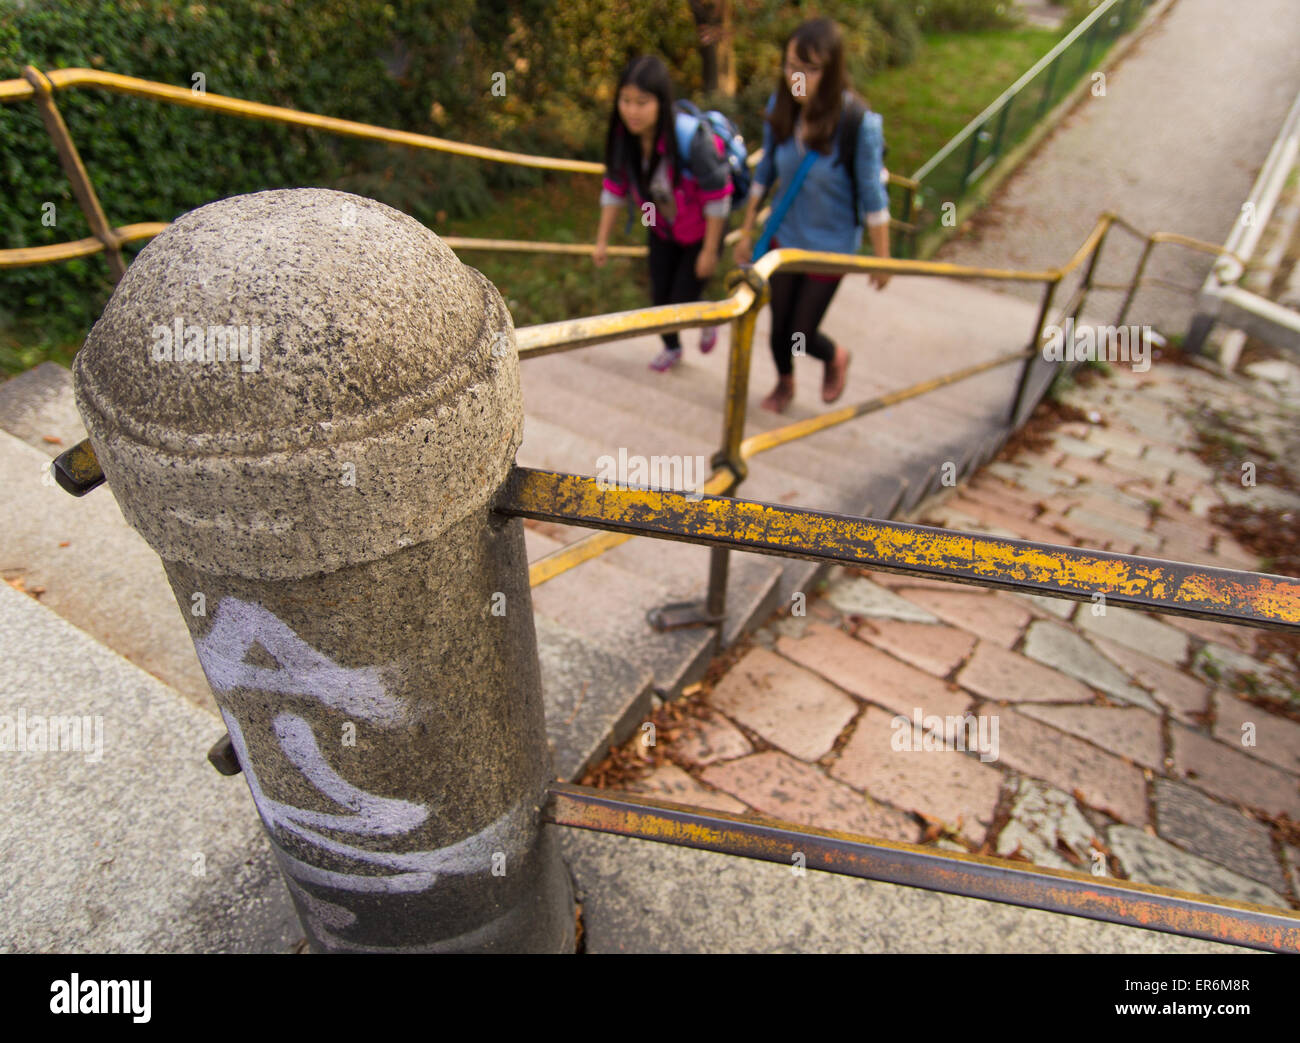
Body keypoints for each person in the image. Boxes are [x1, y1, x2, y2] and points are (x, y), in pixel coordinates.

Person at [734, 17, 892, 412]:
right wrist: (746, 228)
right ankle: (784, 384)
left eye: (810, 69)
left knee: (800, 332)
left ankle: (835, 355)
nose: (797, 78)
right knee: (777, 332)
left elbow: (873, 197)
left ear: (833, 70)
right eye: (790, 66)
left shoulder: (858, 126)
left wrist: (882, 258)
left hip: (830, 245)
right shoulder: (781, 109)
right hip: (786, 236)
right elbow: (765, 171)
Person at [593, 55, 732, 371]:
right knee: (659, 298)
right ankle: (673, 347)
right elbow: (614, 188)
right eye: (625, 101)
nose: (631, 111)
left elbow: (718, 197)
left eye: (642, 102)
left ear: (660, 101)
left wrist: (710, 251)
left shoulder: (691, 138)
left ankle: (706, 314)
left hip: (701, 230)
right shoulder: (623, 140)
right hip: (659, 224)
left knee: (679, 299)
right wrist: (601, 241)